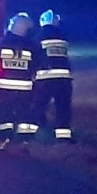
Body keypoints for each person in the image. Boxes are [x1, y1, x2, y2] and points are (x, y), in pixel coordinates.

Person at [0, 11, 39, 148]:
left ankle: (5, 138)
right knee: (25, 113)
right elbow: (38, 63)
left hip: (5, 86)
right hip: (25, 86)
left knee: (5, 113)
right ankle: (25, 140)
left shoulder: (3, 41)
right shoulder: (32, 44)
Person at [33, 9, 74, 141]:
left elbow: (35, 56)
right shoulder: (63, 36)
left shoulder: (38, 36)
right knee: (63, 107)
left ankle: (33, 132)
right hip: (64, 79)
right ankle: (63, 136)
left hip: (45, 78)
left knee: (38, 106)